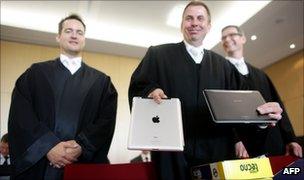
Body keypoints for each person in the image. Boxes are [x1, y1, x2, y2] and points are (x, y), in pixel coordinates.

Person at [128, 1, 283, 179]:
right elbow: (138, 86)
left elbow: (243, 111)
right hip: (171, 152)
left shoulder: (225, 67)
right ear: (182, 25)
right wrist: (150, 91)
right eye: (189, 18)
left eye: (200, 18)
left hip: (217, 151)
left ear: (208, 26)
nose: (194, 23)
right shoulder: (158, 55)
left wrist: (261, 119)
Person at [8, 14, 118, 179]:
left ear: (84, 39)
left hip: (81, 165)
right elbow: (22, 115)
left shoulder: (101, 82)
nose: (74, 35)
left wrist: (81, 146)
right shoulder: (36, 74)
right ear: (58, 37)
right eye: (68, 31)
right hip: (40, 165)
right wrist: (48, 146)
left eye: (79, 32)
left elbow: (105, 122)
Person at [221, 25, 302, 158]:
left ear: (243, 39)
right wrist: (236, 139)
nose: (227, 39)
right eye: (223, 37)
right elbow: (223, 110)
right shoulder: (220, 72)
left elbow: (278, 105)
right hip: (243, 148)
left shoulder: (261, 74)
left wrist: (290, 138)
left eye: (232, 35)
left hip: (274, 142)